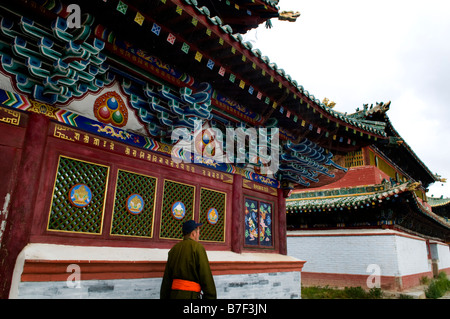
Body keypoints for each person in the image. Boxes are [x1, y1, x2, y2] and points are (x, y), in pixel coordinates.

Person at [160, 220, 217, 299]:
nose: (198, 235)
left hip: (173, 295)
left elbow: (166, 281)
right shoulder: (198, 248)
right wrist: (211, 296)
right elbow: (206, 276)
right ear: (193, 233)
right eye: (198, 232)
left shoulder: (173, 250)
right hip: (191, 296)